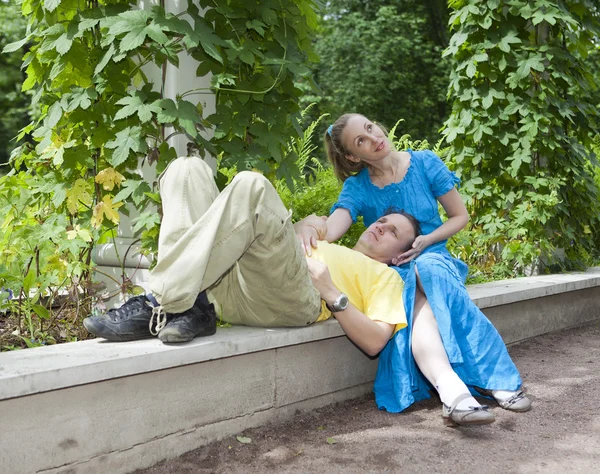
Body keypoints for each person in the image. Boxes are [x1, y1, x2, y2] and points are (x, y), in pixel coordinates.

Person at [84, 156, 495, 426]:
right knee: (185, 170)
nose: (380, 226)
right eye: (382, 220)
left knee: (252, 185)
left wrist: (331, 292)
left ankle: (161, 300)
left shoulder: (387, 279)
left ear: (402, 255)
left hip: (297, 297)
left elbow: (375, 342)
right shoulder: (324, 239)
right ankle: (193, 306)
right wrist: (300, 227)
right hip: (238, 282)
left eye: (392, 233)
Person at [316, 113, 532, 416]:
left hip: (435, 259)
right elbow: (335, 226)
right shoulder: (358, 187)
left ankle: (479, 384)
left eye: (370, 127)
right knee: (415, 300)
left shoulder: (425, 163)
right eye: (360, 140)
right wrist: (312, 228)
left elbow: (460, 216)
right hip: (393, 271)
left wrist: (427, 241)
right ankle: (463, 390)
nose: (373, 137)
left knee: (426, 269)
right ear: (353, 155)